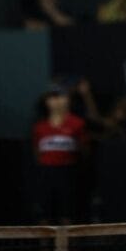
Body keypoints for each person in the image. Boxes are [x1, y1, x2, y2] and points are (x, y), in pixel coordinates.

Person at [33, 84, 88, 224]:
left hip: (68, 173)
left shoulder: (77, 124)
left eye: (60, 96)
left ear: (67, 100)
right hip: (46, 174)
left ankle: (68, 246)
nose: (56, 101)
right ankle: (43, 246)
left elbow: (85, 151)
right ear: (46, 102)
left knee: (67, 217)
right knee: (44, 217)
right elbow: (37, 154)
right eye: (52, 97)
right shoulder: (39, 127)